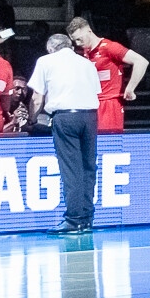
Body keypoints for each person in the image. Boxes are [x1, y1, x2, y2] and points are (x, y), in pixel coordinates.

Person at [28, 31, 103, 235]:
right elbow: (96, 91)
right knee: (89, 168)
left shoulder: (45, 61)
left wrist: (32, 119)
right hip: (89, 117)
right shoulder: (87, 63)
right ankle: (87, 218)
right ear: (69, 46)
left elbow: (37, 97)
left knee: (72, 170)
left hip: (65, 117)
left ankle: (73, 219)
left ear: (51, 48)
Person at [70, 17, 147, 134]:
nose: (78, 44)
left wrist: (130, 88)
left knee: (109, 143)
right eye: (75, 41)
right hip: (91, 104)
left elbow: (141, 61)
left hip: (109, 104)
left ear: (89, 31)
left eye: (80, 39)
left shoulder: (110, 47)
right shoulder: (87, 52)